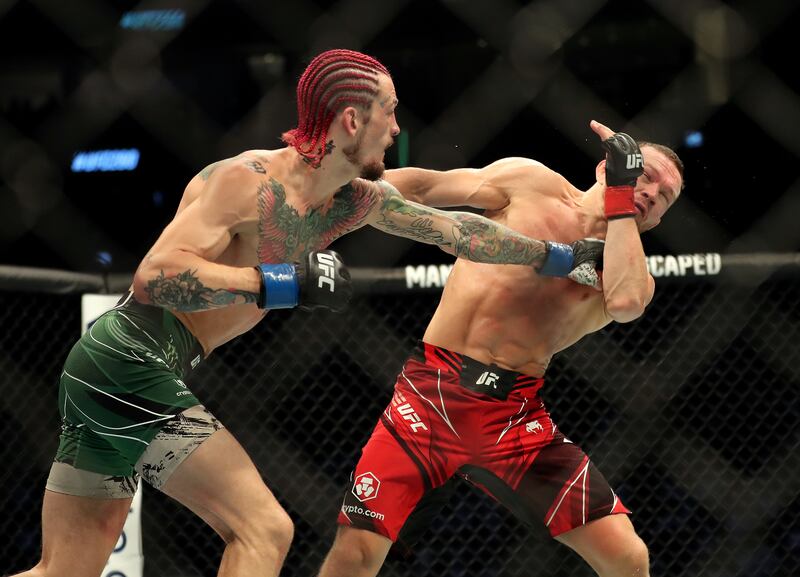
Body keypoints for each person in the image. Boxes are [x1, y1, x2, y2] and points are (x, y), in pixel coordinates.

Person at [13, 49, 603, 577]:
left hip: (117, 373)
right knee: (264, 529)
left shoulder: (353, 200)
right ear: (353, 120)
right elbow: (156, 276)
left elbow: (457, 232)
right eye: (390, 112)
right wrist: (278, 282)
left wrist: (560, 257)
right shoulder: (246, 183)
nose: (397, 127)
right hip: (128, 359)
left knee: (63, 571)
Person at [316, 120, 684, 577]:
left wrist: (620, 201)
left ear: (661, 218)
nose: (650, 191)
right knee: (357, 550)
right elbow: (429, 187)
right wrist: (328, 190)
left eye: (664, 195)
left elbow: (626, 304)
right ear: (604, 167)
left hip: (514, 413)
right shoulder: (532, 183)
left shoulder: (631, 272)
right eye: (644, 175)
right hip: (431, 393)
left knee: (627, 557)